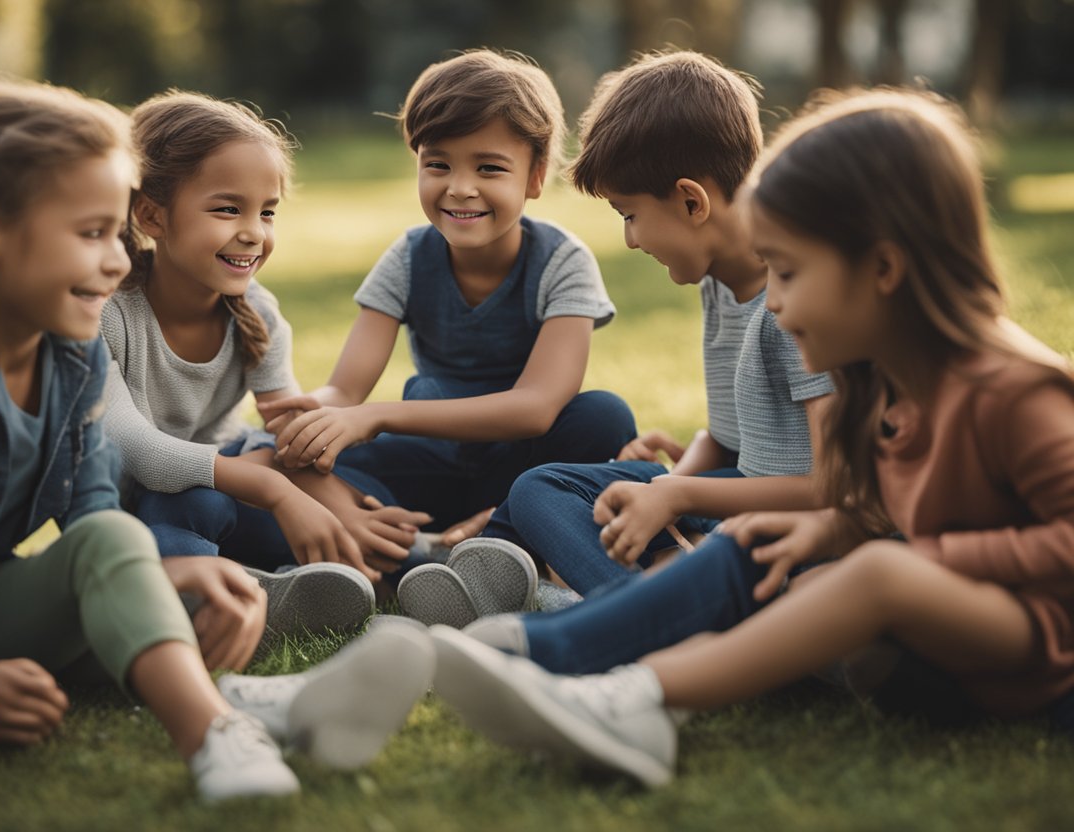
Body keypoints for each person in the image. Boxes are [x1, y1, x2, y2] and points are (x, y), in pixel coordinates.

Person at [429, 88, 1074, 787]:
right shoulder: (885, 387)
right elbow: (877, 507)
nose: (780, 300)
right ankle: (544, 650)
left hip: (1038, 655)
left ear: (884, 270)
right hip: (929, 650)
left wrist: (906, 554)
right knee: (757, 540)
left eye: (791, 274)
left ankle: (639, 693)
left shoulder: (1017, 393)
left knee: (874, 572)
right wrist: (820, 533)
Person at [0, 79, 432, 802]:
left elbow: (95, 510)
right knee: (123, 549)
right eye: (92, 234)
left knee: (120, 550)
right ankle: (217, 731)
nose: (116, 258)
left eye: (115, 232)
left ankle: (259, 700)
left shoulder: (67, 357)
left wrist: (175, 574)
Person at [402, 50, 832, 625]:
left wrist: (678, 495)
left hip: (784, 520)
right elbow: (729, 445)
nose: (630, 239)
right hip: (726, 497)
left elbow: (832, 487)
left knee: (568, 495)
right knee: (539, 490)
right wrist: (658, 491)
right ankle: (486, 566)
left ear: (690, 201)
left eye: (628, 214)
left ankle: (630, 611)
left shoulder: (799, 302)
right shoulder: (720, 283)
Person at [258, 50, 636, 560]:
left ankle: (499, 532)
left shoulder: (562, 261)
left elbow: (537, 407)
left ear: (534, 176)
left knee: (602, 417)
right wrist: (313, 417)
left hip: (522, 464)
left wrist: (380, 416)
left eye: (489, 167)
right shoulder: (409, 258)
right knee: (291, 460)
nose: (460, 188)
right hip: (431, 458)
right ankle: (412, 542)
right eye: (438, 164)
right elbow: (347, 389)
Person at [103, 91, 431, 637]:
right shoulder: (108, 312)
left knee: (358, 502)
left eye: (267, 211)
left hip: (232, 482)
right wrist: (277, 488)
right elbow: (136, 451)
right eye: (228, 208)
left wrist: (337, 508)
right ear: (151, 215)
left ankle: (427, 569)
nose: (254, 231)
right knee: (192, 505)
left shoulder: (258, 311)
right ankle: (209, 599)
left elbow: (288, 433)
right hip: (138, 512)